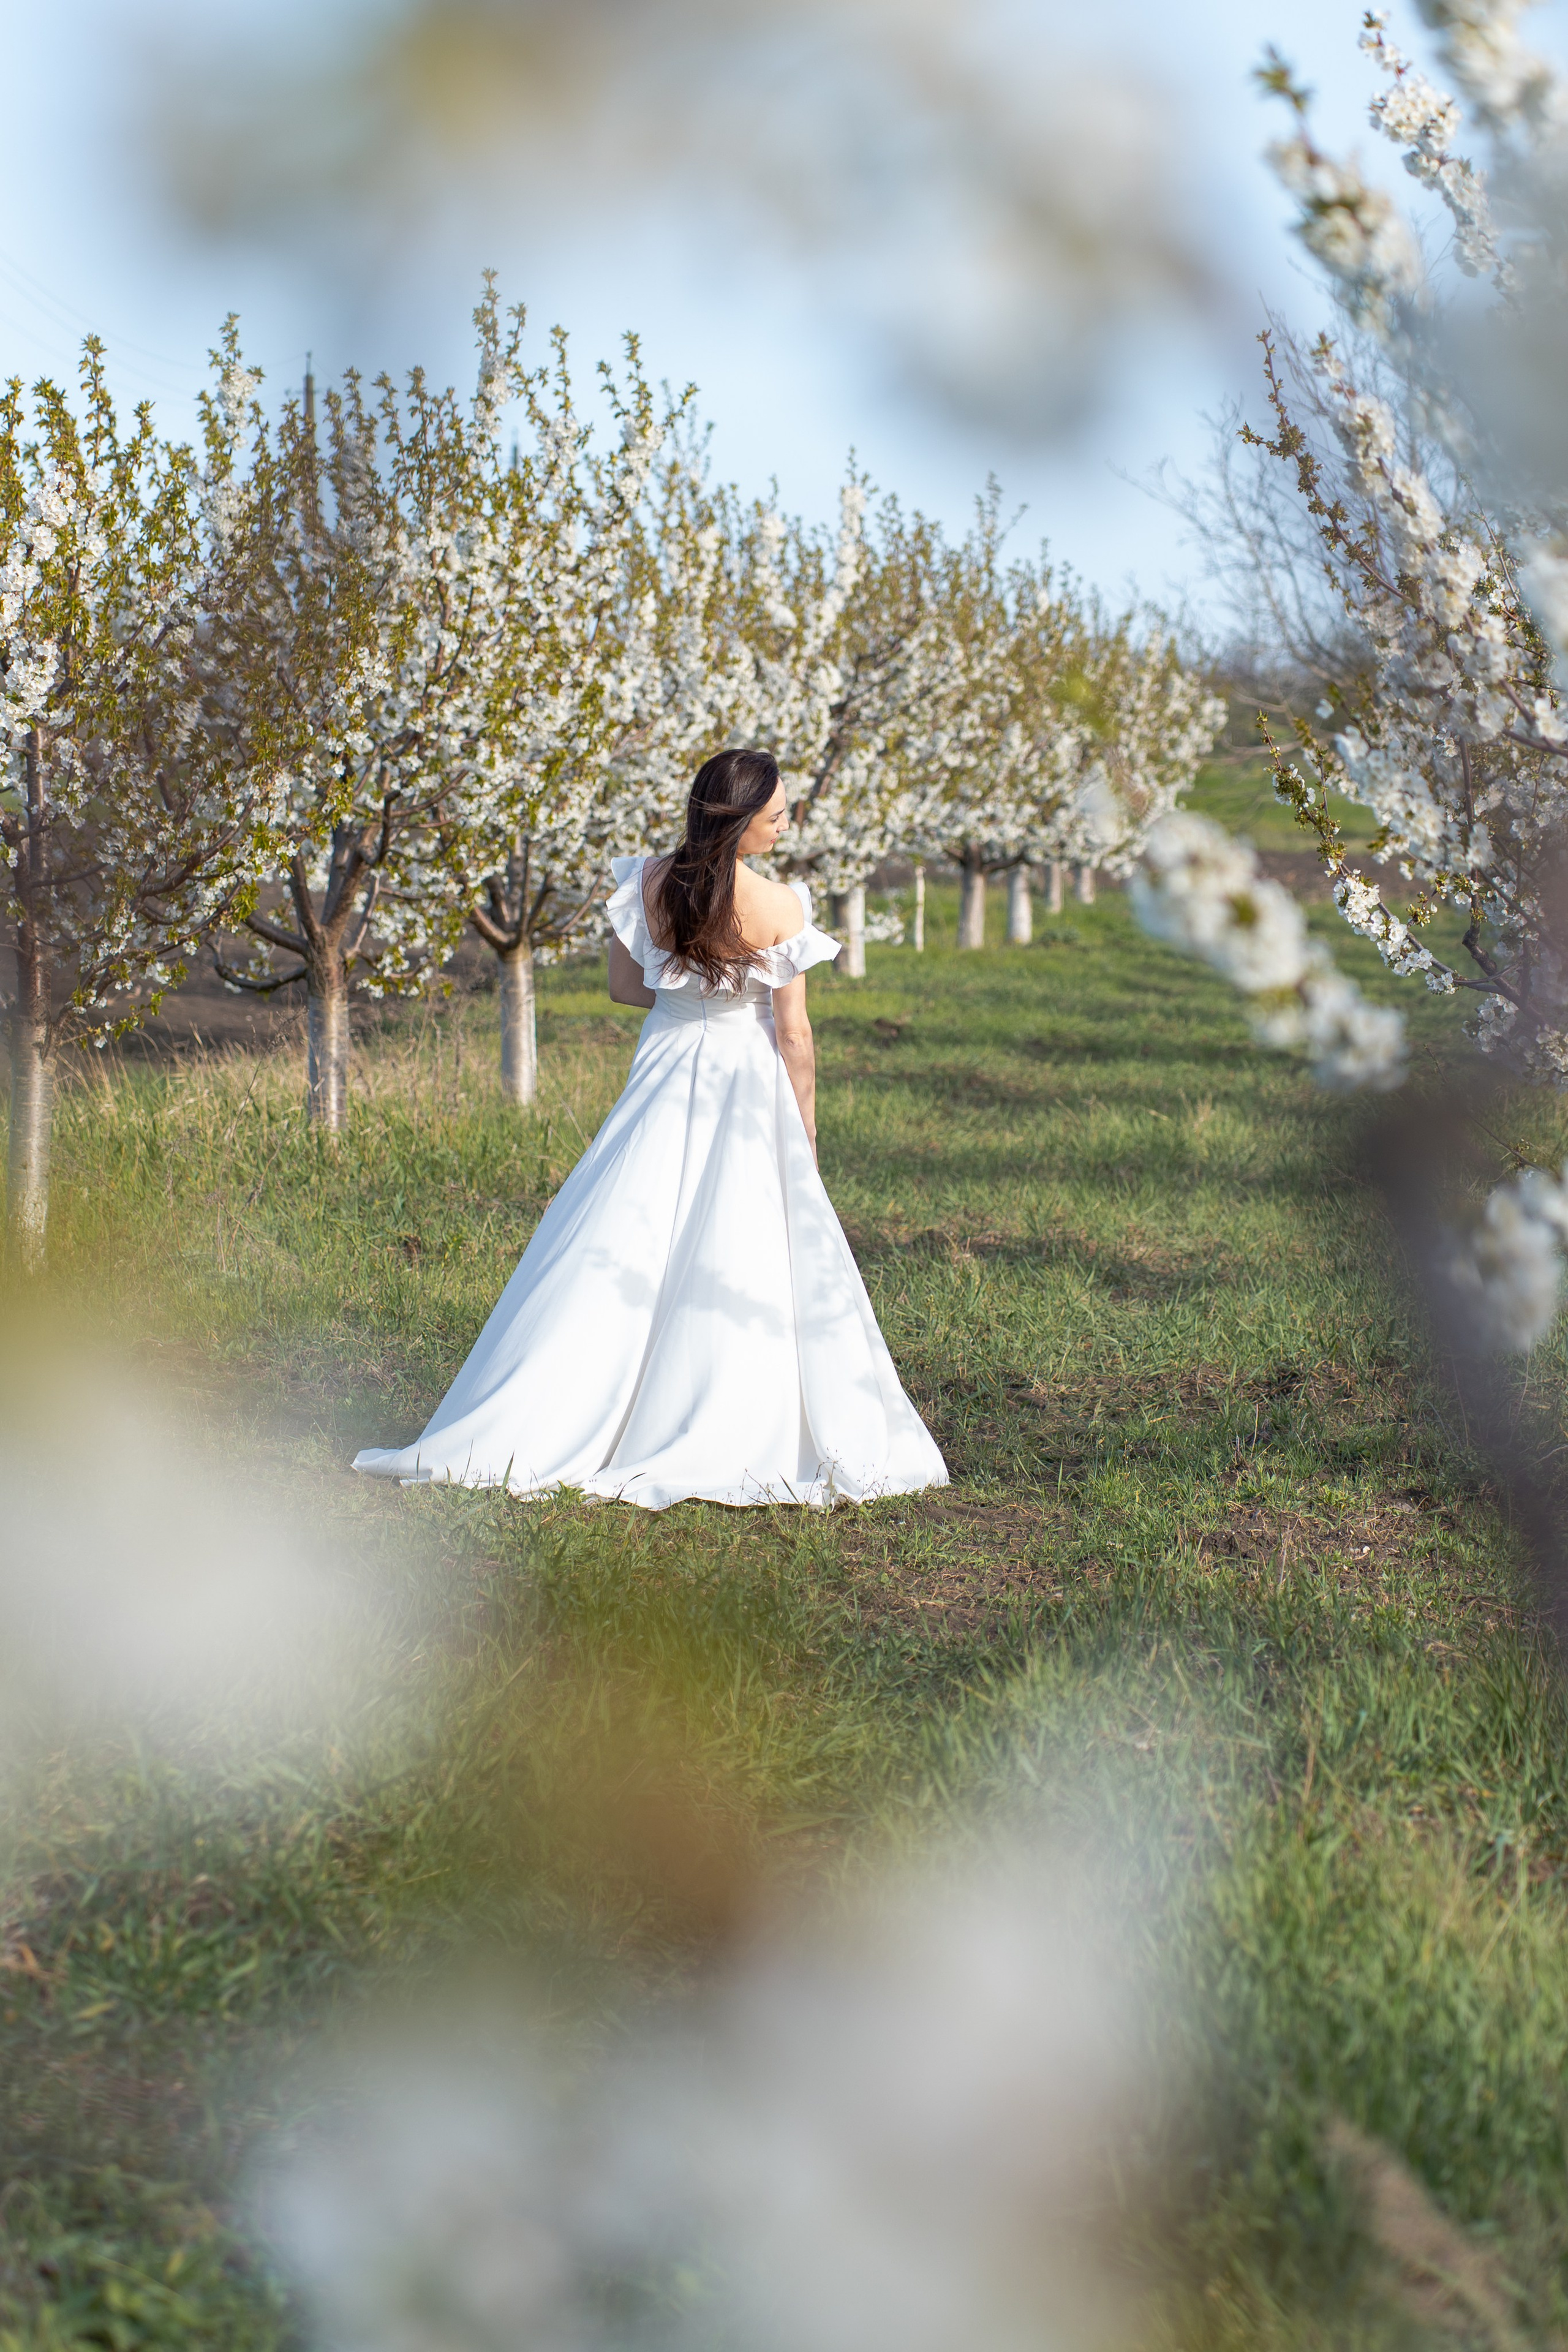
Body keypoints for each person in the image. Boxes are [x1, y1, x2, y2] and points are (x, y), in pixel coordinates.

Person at [353, 747, 948, 1509]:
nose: (786, 824)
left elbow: (623, 987)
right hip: (745, 1080)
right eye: (776, 815)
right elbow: (794, 1035)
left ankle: (558, 1411)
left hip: (665, 1066)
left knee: (620, 1231)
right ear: (741, 821)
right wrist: (803, 1128)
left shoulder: (645, 881)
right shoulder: (780, 905)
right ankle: (718, 1415)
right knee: (741, 1240)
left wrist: (686, 1002)